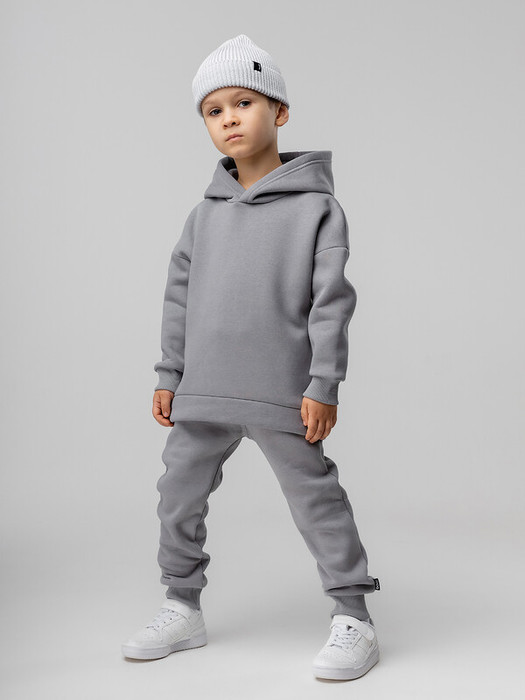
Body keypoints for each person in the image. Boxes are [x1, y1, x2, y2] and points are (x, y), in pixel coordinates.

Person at [121, 33, 381, 681]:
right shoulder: (202, 216)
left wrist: (323, 384)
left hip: (282, 391)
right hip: (204, 388)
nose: (229, 119)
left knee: (316, 501)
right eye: (213, 111)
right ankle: (182, 605)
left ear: (279, 111)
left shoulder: (318, 210)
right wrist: (169, 373)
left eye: (244, 102)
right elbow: (178, 299)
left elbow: (331, 303)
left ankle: (353, 615)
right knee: (177, 496)